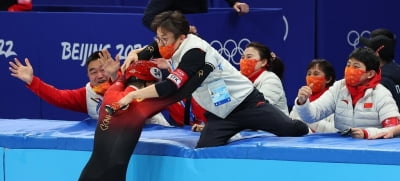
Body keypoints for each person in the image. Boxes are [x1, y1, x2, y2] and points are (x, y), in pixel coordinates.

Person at [114, 11, 309, 148]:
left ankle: (306, 127)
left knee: (290, 130)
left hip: (246, 103)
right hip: (220, 112)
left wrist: (132, 96)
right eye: (158, 38)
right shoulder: (175, 42)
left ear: (182, 37)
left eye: (164, 38)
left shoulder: (195, 52)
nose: (160, 43)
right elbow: (156, 46)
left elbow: (169, 87)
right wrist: (137, 54)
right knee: (206, 147)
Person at [72, 59, 178, 181]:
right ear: (148, 84)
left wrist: (126, 69)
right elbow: (180, 90)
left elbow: (122, 79)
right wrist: (204, 67)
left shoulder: (111, 93)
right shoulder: (143, 105)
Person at [8, 50, 171, 126]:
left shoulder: (130, 79)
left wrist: (115, 76)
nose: (99, 75)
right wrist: (32, 81)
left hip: (155, 131)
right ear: (87, 76)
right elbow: (58, 97)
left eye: (103, 70)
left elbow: (123, 95)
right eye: (93, 72)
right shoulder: (87, 94)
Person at [294, 47, 400, 139]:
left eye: (356, 66)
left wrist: (366, 133)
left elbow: (392, 129)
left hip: (372, 147)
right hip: (342, 147)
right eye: (348, 65)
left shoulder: (381, 94)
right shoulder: (339, 88)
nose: (350, 70)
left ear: (370, 74)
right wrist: (302, 103)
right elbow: (312, 115)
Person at [239, 41, 289, 115]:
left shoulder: (272, 79)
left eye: (249, 57)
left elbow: (260, 108)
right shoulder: (237, 77)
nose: (244, 60)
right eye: (243, 57)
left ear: (263, 62)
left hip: (273, 125)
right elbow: (220, 103)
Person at [290, 59, 338, 133]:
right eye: (309, 74)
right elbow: (291, 122)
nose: (311, 77)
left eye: (316, 74)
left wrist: (306, 118)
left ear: (328, 79)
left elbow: (334, 130)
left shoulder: (334, 98)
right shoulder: (302, 98)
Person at [142, 0, 250, 31]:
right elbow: (148, 18)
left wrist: (234, 2)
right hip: (177, 43)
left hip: (200, 37)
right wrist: (177, 30)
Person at [360, 28, 400, 109]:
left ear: (377, 54)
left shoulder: (379, 82)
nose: (364, 53)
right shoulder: (396, 71)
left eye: (368, 49)